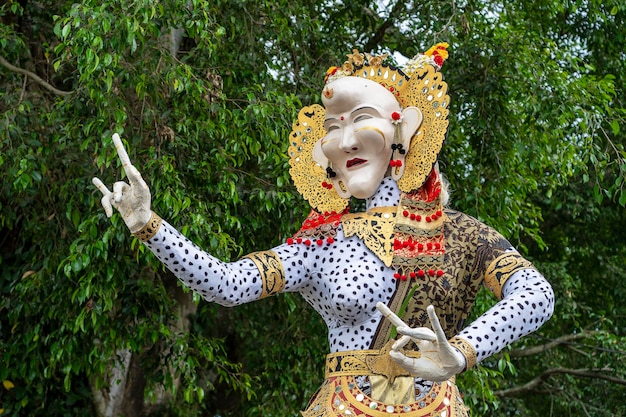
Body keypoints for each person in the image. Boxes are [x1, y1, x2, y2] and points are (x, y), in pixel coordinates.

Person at [93, 44, 554, 416]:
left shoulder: (462, 234)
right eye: (334, 127)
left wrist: (464, 350)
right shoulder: (323, 242)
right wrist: (148, 225)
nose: (346, 139)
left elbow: (536, 294)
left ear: (403, 135)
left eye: (361, 120)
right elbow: (225, 284)